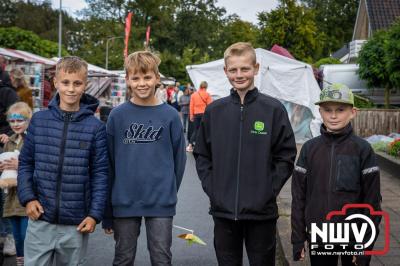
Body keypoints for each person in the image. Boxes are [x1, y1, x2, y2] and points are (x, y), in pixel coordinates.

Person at [193, 42, 297, 266]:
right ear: (225, 71)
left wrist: (267, 191)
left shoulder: (273, 109)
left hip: (261, 213)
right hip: (223, 212)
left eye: (245, 69)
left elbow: (286, 156)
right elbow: (202, 155)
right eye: (233, 70)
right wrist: (214, 189)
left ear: (256, 68)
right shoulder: (214, 111)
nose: (239, 75)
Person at [17, 56, 109, 266]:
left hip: (76, 223)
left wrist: (94, 214)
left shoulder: (95, 128)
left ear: (85, 85)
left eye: (77, 83)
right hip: (40, 218)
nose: (71, 89)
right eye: (65, 82)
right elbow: (25, 164)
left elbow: (100, 173)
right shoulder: (39, 121)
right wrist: (28, 198)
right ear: (56, 82)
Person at [103, 51, 186, 266]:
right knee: (123, 258)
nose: (142, 83)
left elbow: (179, 161)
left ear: (157, 79)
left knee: (161, 258)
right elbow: (109, 163)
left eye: (147, 77)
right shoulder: (117, 116)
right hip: (124, 201)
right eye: (136, 78)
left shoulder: (170, 116)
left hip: (160, 202)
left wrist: (167, 192)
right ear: (128, 80)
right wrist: (108, 209)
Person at [291, 83, 381, 266]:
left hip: (353, 234)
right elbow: (298, 197)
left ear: (353, 112)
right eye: (327, 110)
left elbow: (372, 202)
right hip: (319, 232)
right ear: (320, 112)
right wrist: (298, 238)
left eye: (340, 109)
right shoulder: (309, 149)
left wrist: (365, 245)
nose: (333, 115)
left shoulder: (363, 150)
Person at [0, 102, 32, 266]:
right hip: (12, 197)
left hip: (28, 197)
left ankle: (29, 262)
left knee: (27, 236)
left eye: (20, 120)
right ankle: (21, 262)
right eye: (12, 121)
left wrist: (20, 165)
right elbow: (6, 169)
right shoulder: (9, 141)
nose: (15, 124)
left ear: (28, 120)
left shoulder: (32, 140)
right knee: (18, 237)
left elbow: (38, 165)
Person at [186, 81, 212, 152]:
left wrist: (191, 115)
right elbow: (210, 106)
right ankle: (202, 146)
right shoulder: (207, 94)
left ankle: (190, 145)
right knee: (204, 130)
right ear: (206, 87)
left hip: (196, 114)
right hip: (204, 114)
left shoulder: (194, 95)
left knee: (196, 130)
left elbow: (191, 106)